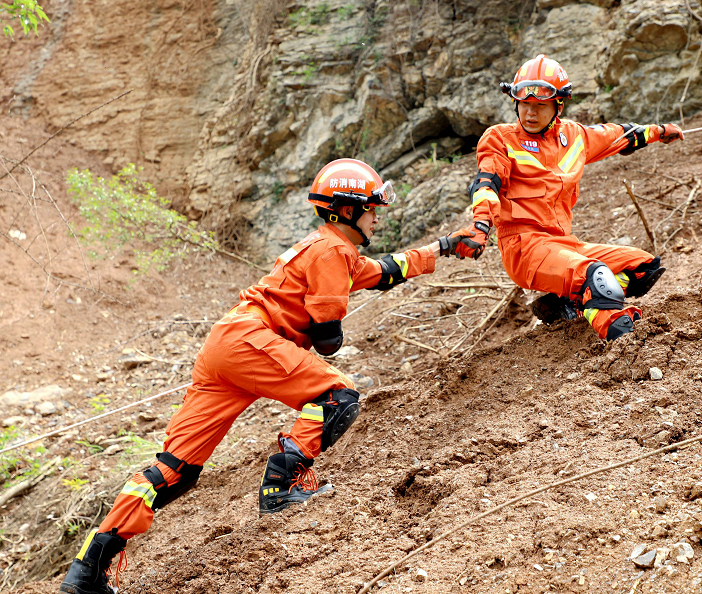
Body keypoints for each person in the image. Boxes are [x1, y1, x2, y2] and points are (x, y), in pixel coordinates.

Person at [60, 158, 461, 594]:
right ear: (347, 209)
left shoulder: (325, 248)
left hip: (225, 344)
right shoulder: (333, 251)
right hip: (252, 341)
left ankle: (86, 571)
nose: (378, 216)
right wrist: (329, 315)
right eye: (371, 207)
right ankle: (279, 488)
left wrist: (442, 246)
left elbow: (384, 272)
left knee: (176, 470)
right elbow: (328, 340)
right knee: (337, 397)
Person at [451, 54, 684, 340]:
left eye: (540, 106)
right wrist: (480, 227)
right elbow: (486, 182)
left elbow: (619, 134)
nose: (530, 114)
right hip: (524, 248)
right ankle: (625, 347)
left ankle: (569, 304)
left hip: (563, 245)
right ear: (515, 102)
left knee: (643, 268)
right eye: (524, 104)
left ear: (558, 104)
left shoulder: (574, 136)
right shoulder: (499, 139)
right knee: (595, 276)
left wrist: (660, 132)